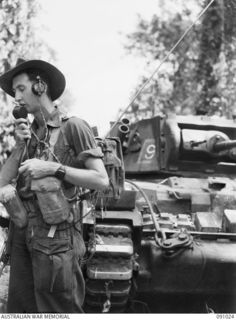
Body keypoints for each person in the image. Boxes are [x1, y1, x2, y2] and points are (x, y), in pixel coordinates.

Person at [0, 59, 109, 313]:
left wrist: (53, 169)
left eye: (20, 88)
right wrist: (19, 146)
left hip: (56, 242)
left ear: (40, 86)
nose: (16, 97)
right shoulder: (30, 134)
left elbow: (101, 180)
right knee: (20, 311)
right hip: (23, 236)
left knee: (57, 311)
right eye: (14, 91)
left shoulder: (74, 127)